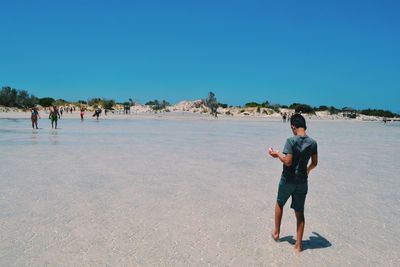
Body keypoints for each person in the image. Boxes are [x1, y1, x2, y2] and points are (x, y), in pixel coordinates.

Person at [268, 113, 318, 252]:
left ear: (293, 127)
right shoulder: (313, 143)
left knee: (279, 203)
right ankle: (298, 246)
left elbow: (288, 162)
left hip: (288, 180)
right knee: (299, 212)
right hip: (302, 182)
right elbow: (314, 163)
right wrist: (307, 171)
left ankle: (277, 233)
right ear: (305, 126)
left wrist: (277, 154)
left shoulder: (291, 141)